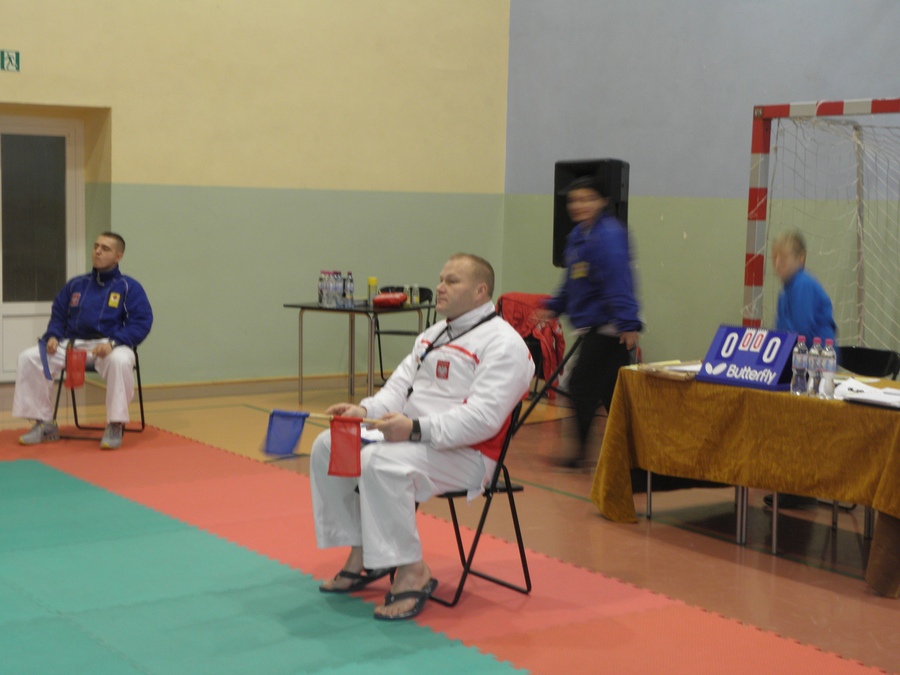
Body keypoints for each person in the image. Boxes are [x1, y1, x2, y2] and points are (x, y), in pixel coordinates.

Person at [309, 253, 534, 621]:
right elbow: (396, 390)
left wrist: (415, 429)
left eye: (452, 281)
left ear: (480, 291)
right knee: (328, 445)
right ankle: (365, 549)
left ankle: (413, 570)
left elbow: (483, 420)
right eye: (441, 279)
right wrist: (364, 411)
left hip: (468, 455)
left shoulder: (504, 344)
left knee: (379, 461)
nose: (440, 287)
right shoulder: (433, 335)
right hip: (413, 439)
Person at [13, 232, 153, 450]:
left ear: (118, 256)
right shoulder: (76, 284)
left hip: (110, 345)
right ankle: (44, 423)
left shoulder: (129, 287)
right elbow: (59, 315)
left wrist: (113, 343)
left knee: (120, 361)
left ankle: (115, 424)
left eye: (105, 248)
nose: (97, 251)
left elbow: (141, 322)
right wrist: (53, 335)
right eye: (96, 246)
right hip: (72, 344)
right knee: (30, 357)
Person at [540, 176, 642, 471]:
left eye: (586, 199)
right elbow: (572, 281)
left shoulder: (609, 235)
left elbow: (619, 280)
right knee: (612, 394)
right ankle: (635, 458)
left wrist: (628, 323)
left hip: (610, 327)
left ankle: (582, 455)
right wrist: (554, 306)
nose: (579, 205)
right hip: (594, 326)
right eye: (574, 200)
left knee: (580, 387)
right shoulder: (578, 236)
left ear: (602, 202)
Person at [764, 229, 836, 510]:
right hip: (798, 365)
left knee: (798, 421)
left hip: (815, 368)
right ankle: (792, 483)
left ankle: (800, 487)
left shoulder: (803, 286)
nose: (777, 264)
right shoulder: (786, 290)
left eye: (783, 258)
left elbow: (801, 332)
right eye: (774, 258)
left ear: (801, 258)